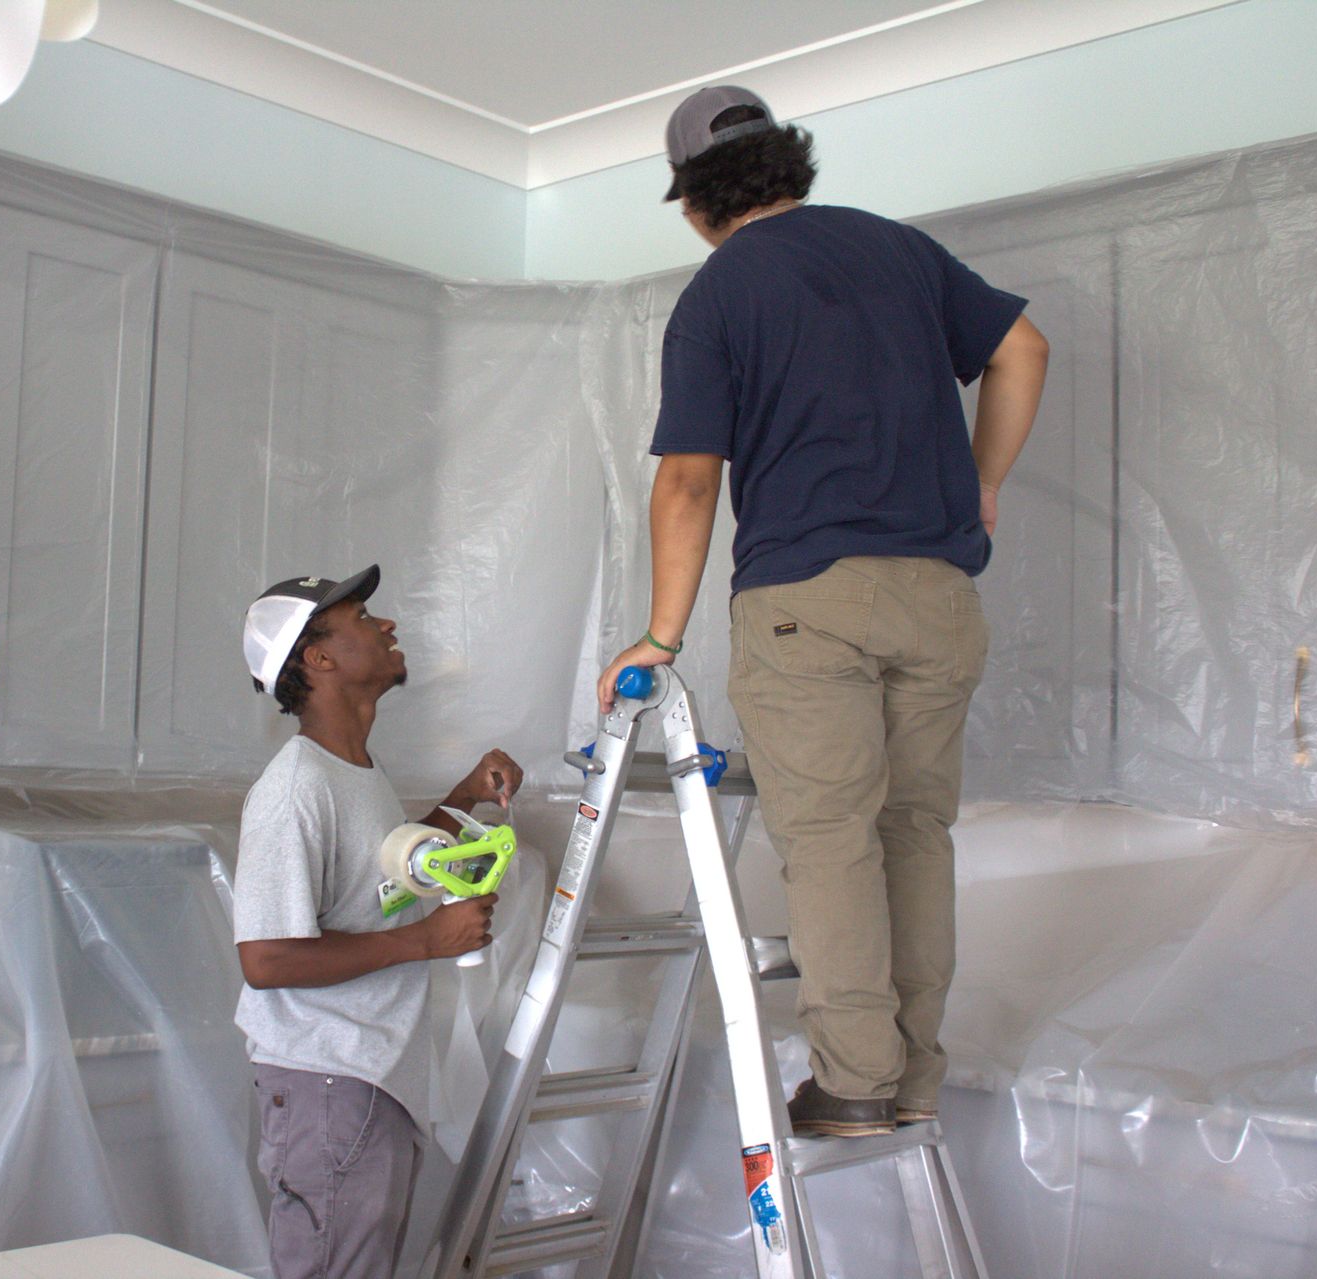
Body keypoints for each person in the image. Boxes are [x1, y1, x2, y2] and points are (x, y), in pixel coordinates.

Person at [597, 86, 1049, 1138]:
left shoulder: (720, 293)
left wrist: (661, 635)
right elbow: (1022, 350)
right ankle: (915, 1077)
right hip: (940, 597)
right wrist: (982, 484)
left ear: (696, 203)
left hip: (813, 600)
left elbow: (688, 482)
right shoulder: (900, 252)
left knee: (833, 839)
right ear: (790, 166)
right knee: (913, 834)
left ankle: (853, 1079)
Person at [235, 564, 524, 1278]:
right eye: (363, 618)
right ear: (319, 658)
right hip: (328, 1083)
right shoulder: (296, 787)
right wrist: (427, 940)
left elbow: (382, 881)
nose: (388, 624)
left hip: (361, 1080)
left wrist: (463, 798)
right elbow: (265, 959)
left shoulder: (353, 771)